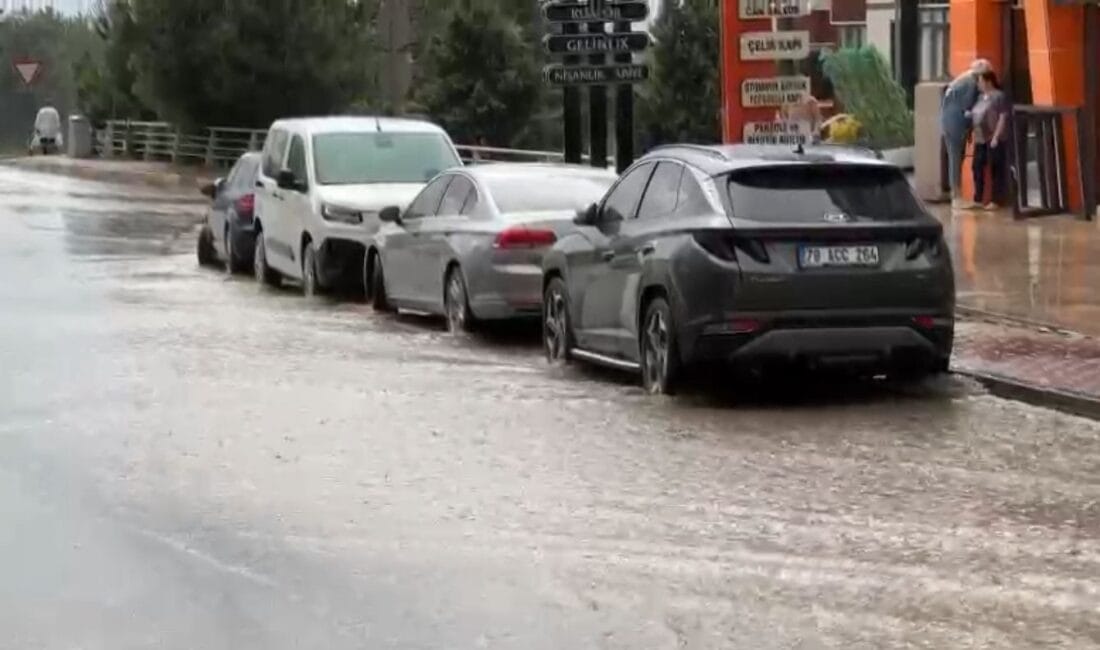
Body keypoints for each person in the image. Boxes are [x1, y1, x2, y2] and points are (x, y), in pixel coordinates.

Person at [941, 59, 993, 208]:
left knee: (956, 157)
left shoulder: (962, 80)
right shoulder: (970, 84)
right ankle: (955, 196)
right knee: (956, 157)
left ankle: (955, 194)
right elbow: (968, 109)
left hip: (949, 121)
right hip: (955, 124)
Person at [970, 70, 1010, 210]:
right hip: (980, 137)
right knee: (977, 166)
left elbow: (1002, 117)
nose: (979, 84)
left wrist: (996, 136)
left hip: (994, 137)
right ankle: (978, 198)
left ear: (988, 81)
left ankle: (997, 200)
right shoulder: (981, 97)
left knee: (996, 168)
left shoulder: (999, 96)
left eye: (980, 81)